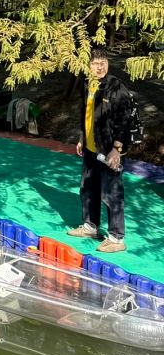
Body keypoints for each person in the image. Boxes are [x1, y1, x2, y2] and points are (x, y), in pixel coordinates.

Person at [67, 48, 137, 254]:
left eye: (104, 62)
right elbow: (86, 113)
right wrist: (82, 138)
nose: (100, 66)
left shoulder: (116, 88)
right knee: (88, 188)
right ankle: (90, 226)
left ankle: (116, 238)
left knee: (112, 193)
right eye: (95, 63)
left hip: (110, 149)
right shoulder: (88, 83)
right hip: (91, 147)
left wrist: (117, 149)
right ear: (87, 66)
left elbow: (125, 120)